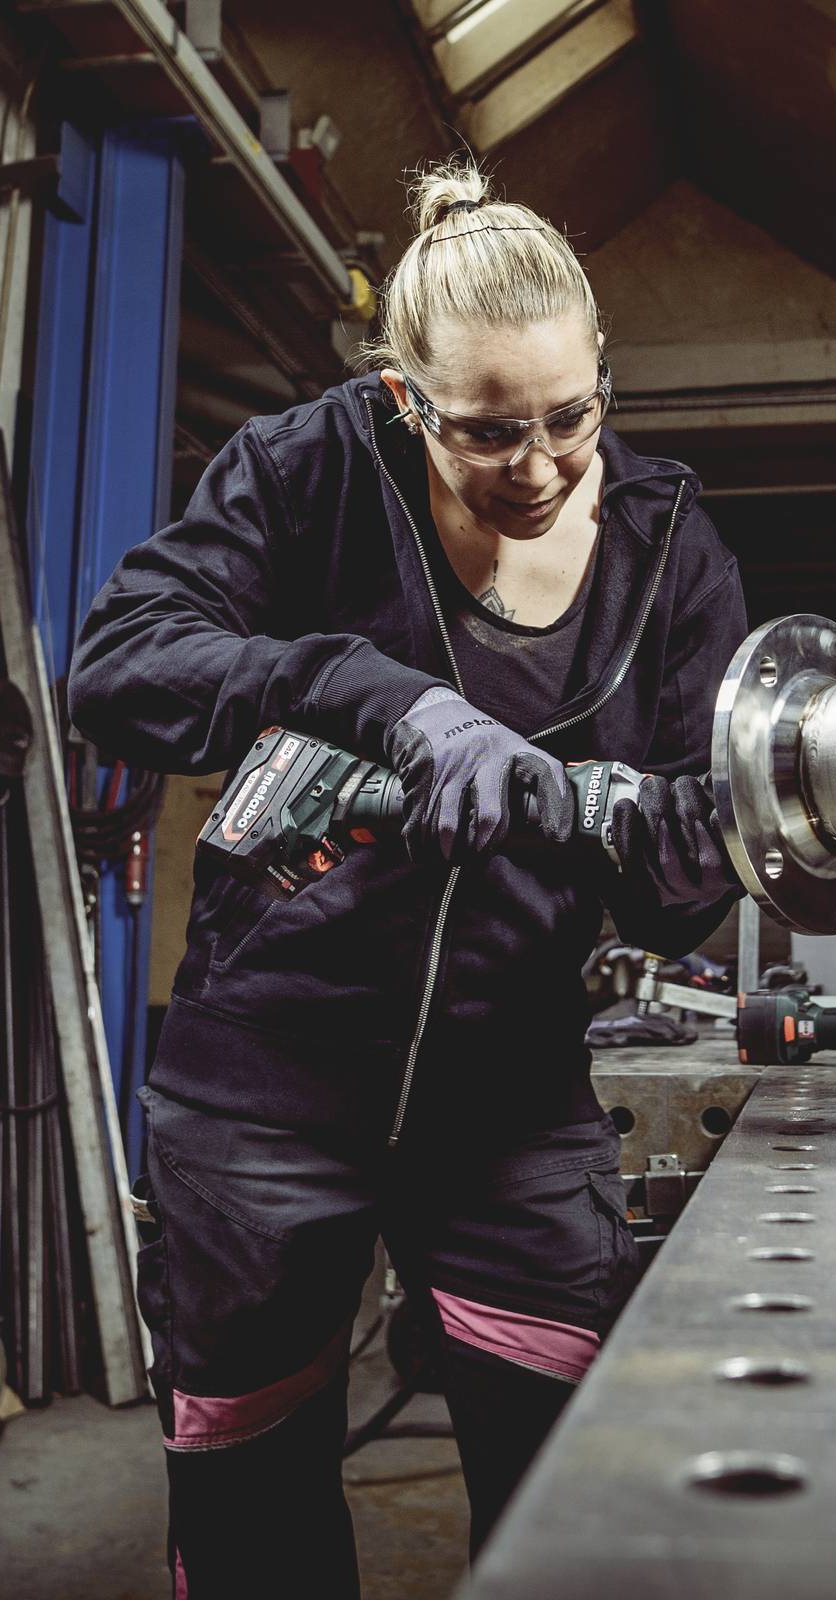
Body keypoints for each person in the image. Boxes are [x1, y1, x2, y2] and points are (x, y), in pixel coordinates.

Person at [70, 159, 749, 1596]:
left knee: (576, 1495)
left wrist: (644, 832)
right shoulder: (308, 468)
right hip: (264, 1086)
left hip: (508, 1097)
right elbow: (119, 665)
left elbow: (691, 890)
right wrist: (368, 693)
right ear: (403, 401)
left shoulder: (670, 545)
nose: (546, 465)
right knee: (251, 1509)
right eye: (489, 434)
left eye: (574, 416)